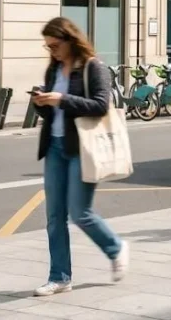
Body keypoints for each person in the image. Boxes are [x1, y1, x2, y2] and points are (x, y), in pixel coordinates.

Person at [31, 17, 127, 297]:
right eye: (47, 47)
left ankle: (116, 248)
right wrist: (41, 102)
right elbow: (51, 114)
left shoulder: (93, 67)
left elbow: (100, 105)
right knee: (54, 216)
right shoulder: (53, 69)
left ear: (70, 39)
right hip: (55, 147)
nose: (52, 51)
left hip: (82, 148)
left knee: (79, 212)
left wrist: (61, 99)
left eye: (55, 45)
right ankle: (59, 277)